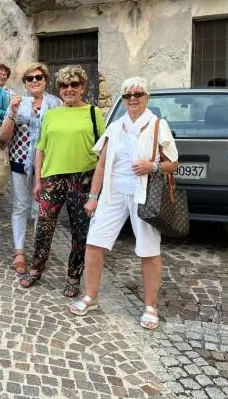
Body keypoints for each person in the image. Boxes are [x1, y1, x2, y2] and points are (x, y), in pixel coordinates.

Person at [70, 77, 178, 330]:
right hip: (113, 193)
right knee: (94, 243)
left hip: (144, 195)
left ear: (146, 97)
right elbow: (101, 164)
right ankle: (90, 296)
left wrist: (153, 166)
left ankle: (150, 305)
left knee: (149, 249)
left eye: (137, 94)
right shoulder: (116, 126)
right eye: (127, 95)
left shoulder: (157, 125)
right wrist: (93, 197)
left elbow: (173, 163)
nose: (132, 99)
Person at [21, 66, 105, 297]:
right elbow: (40, 149)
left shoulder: (93, 113)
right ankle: (36, 268)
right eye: (64, 85)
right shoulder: (51, 114)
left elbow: (103, 152)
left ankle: (73, 277)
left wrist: (97, 191)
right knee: (43, 227)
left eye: (74, 85)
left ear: (82, 87)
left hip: (83, 178)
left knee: (80, 231)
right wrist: (38, 181)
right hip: (52, 178)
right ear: (58, 88)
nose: (69, 89)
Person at [0, 63, 61, 274]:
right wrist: (12, 113)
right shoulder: (18, 102)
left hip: (48, 165)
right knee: (20, 206)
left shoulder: (56, 103)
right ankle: (19, 251)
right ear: (25, 83)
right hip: (20, 163)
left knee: (39, 210)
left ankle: (37, 250)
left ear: (45, 80)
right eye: (30, 78)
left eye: (39, 77)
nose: (35, 81)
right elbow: (4, 136)